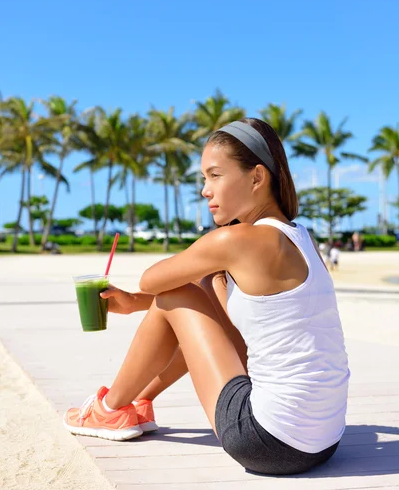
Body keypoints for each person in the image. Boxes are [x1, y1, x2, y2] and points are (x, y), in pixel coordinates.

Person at [64, 118, 350, 476]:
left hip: (264, 440)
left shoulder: (236, 240)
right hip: (323, 443)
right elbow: (217, 316)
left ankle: (108, 408)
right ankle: (139, 402)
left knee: (175, 295)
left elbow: (152, 280)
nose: (204, 190)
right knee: (195, 299)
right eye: (204, 178)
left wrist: (150, 292)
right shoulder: (302, 239)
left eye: (215, 176)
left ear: (257, 177)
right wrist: (138, 302)